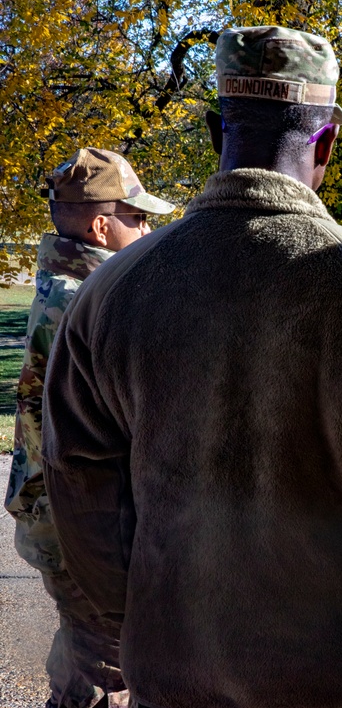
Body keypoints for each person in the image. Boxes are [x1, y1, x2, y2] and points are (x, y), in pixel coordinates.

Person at [39, 26, 342, 708]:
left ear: (218, 130)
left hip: (176, 683)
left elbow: (80, 495)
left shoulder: (112, 292)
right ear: (327, 139)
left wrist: (147, 628)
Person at [4, 147, 174, 708]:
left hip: (56, 519)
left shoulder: (64, 285)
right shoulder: (87, 301)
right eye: (137, 216)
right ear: (102, 225)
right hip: (82, 528)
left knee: (84, 656)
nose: (145, 228)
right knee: (108, 673)